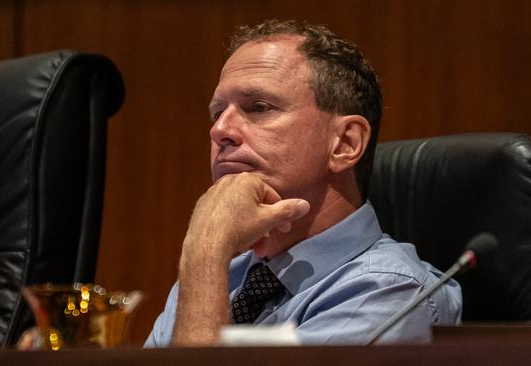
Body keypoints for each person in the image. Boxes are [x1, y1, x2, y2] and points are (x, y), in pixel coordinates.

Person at [146, 19, 461, 347]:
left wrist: (206, 250)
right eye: (217, 113)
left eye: (259, 108)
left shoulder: (391, 293)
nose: (220, 130)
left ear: (345, 144)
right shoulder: (218, 279)